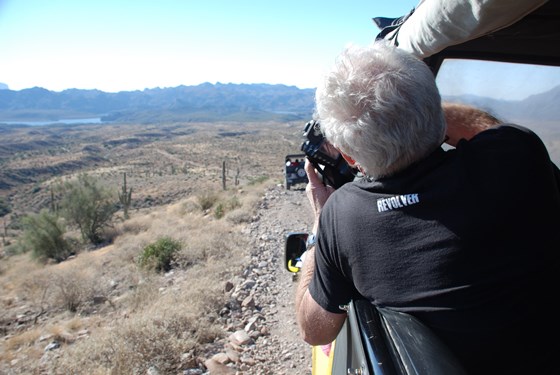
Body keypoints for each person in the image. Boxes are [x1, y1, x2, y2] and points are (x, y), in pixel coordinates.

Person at [295, 41, 560, 374]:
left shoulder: (343, 217)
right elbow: (485, 128)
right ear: (435, 111)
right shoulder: (517, 157)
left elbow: (313, 329)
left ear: (350, 157)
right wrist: (410, 111)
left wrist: (317, 232)